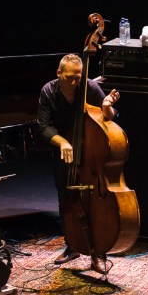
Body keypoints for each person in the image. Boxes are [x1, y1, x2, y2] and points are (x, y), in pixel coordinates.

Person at [37, 53, 121, 273]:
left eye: (78, 77)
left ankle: (98, 252)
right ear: (59, 73)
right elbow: (43, 126)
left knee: (96, 204)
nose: (75, 82)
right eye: (70, 78)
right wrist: (62, 142)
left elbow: (110, 118)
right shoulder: (48, 91)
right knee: (66, 200)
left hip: (92, 154)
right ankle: (72, 245)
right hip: (65, 155)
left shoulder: (90, 88)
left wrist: (106, 107)